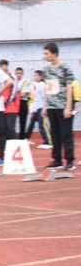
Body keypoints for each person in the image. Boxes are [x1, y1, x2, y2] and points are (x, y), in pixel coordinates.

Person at [42, 42, 75, 170]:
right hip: (51, 107)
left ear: (54, 54)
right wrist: (45, 105)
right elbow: (47, 87)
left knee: (66, 134)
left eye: (47, 54)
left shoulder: (65, 68)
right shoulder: (46, 70)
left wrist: (68, 107)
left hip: (63, 107)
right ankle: (57, 159)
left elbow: (69, 87)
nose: (45, 56)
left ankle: (69, 160)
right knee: (54, 134)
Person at [25, 70, 51, 149]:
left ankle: (48, 142)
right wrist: (32, 110)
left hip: (41, 107)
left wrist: (45, 108)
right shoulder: (33, 85)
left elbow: (44, 97)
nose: (35, 77)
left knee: (42, 125)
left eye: (37, 76)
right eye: (34, 75)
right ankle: (26, 138)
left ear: (41, 77)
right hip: (35, 107)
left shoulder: (43, 85)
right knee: (31, 124)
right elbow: (33, 97)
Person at [0, 59, 20, 140]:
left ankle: (16, 146)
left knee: (10, 128)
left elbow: (13, 93)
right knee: (4, 129)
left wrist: (6, 103)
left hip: (11, 107)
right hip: (1, 107)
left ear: (6, 66)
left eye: (2, 66)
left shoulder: (12, 77)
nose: (0, 68)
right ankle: (6, 148)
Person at [14, 67, 32, 140]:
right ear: (15, 74)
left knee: (23, 120)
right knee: (13, 120)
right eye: (17, 73)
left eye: (20, 73)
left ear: (22, 74)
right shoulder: (13, 81)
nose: (19, 75)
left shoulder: (26, 82)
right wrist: (18, 93)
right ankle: (13, 136)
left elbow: (23, 94)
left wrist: (16, 94)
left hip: (23, 103)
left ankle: (22, 137)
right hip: (15, 103)